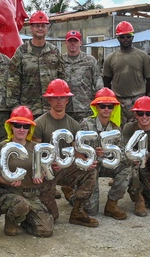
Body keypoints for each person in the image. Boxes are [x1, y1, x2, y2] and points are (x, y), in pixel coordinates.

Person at [33, 79, 100, 226]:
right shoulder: (39, 124)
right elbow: (35, 154)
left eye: (62, 97)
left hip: (65, 169)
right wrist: (47, 165)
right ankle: (42, 202)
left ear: (67, 100)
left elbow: (77, 151)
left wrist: (86, 162)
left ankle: (77, 211)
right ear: (49, 99)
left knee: (90, 172)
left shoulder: (74, 125)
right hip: (47, 172)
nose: (59, 101)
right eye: (55, 97)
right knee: (53, 218)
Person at [0, 106, 54, 237]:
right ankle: (11, 220)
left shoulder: (36, 148)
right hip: (10, 194)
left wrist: (41, 176)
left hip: (32, 194)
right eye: (17, 125)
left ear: (30, 128)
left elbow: (44, 171)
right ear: (11, 126)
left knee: (45, 231)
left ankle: (24, 220)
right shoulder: (2, 147)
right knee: (21, 205)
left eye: (26, 126)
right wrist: (8, 181)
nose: (22, 129)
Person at [79, 88, 137, 217]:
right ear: (97, 107)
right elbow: (78, 149)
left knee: (127, 166)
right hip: (90, 167)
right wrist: (93, 153)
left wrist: (108, 155)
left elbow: (121, 151)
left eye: (110, 106)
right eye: (102, 106)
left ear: (113, 108)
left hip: (106, 164)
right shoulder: (86, 124)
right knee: (91, 211)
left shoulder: (115, 128)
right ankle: (74, 196)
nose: (106, 109)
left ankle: (112, 204)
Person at [7, 10, 65, 118]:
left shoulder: (54, 51)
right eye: (37, 26)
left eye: (43, 26)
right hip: (28, 111)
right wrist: (15, 108)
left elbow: (62, 79)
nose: (40, 29)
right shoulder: (21, 51)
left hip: (51, 110)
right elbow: (13, 81)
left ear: (47, 28)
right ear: (31, 28)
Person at [103, 21, 150, 125]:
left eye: (128, 36)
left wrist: (143, 95)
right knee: (117, 129)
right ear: (118, 38)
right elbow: (106, 81)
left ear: (132, 37)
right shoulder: (110, 58)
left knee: (138, 130)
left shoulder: (143, 56)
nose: (125, 39)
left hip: (137, 100)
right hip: (118, 101)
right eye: (122, 37)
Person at [62, 30, 103, 121]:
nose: (73, 43)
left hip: (86, 109)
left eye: (75, 41)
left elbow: (98, 84)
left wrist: (100, 105)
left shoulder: (90, 60)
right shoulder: (60, 61)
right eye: (70, 41)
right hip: (65, 109)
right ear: (66, 43)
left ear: (80, 42)